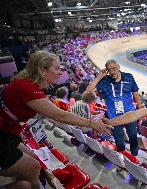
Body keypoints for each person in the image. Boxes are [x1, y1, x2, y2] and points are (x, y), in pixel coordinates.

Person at [0, 51, 112, 189]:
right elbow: (61, 116)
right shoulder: (27, 88)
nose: (60, 72)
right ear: (42, 70)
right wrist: (92, 123)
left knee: (32, 167)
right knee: (33, 167)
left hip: (9, 134)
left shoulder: (26, 84)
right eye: (57, 68)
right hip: (3, 136)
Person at [87, 59, 142, 156]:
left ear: (118, 67)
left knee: (133, 138)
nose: (112, 72)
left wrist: (140, 109)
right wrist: (99, 76)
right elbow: (88, 90)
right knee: (119, 141)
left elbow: (135, 93)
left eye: (114, 68)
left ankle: (135, 158)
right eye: (109, 70)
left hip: (130, 114)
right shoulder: (104, 81)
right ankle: (122, 159)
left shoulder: (129, 77)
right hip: (114, 117)